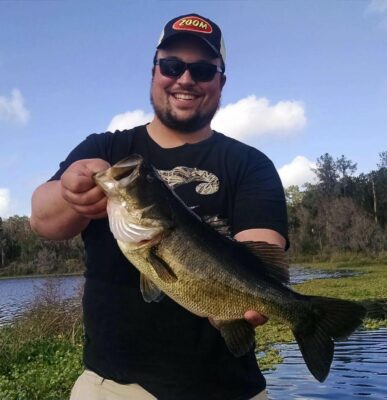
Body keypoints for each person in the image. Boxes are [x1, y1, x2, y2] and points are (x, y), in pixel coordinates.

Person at [30, 13, 288, 400]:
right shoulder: (106, 149)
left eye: (202, 70)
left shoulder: (250, 164)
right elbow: (42, 219)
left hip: (229, 390)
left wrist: (251, 300)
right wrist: (71, 192)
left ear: (221, 82)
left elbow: (261, 255)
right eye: (172, 66)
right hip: (112, 387)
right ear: (154, 72)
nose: (185, 79)